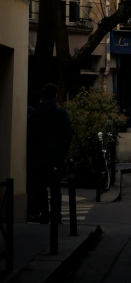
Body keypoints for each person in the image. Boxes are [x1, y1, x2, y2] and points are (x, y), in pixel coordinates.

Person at [27, 83, 73, 224]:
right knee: (55, 189)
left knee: (41, 188)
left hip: (38, 158)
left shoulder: (35, 115)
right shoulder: (60, 114)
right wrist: (62, 154)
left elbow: (29, 136)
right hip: (55, 157)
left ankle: (44, 215)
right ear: (55, 96)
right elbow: (67, 137)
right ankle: (56, 217)